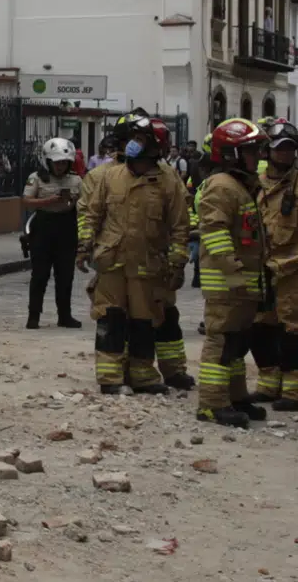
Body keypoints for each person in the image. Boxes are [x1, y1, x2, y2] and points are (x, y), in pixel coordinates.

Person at [77, 116, 183, 394]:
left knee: (143, 321)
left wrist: (178, 262)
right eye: (132, 138)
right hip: (112, 261)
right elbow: (92, 214)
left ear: (155, 146)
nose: (132, 145)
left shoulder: (168, 181)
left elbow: (180, 225)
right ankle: (110, 379)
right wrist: (84, 246)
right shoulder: (110, 176)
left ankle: (142, 376)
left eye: (140, 140)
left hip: (147, 265)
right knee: (110, 319)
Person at [189, 117, 268, 426]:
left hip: (241, 281)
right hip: (227, 283)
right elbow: (216, 232)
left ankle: (236, 397)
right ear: (232, 155)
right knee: (220, 342)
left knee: (236, 343)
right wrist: (234, 272)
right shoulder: (222, 186)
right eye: (251, 151)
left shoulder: (240, 186)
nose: (258, 157)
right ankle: (211, 404)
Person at [253, 120, 298, 414]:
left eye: (290, 149)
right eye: (280, 149)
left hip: (291, 271)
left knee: (292, 330)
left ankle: (295, 389)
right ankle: (268, 382)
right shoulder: (255, 185)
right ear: (267, 151)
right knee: (261, 328)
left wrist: (289, 263)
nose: (285, 155)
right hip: (259, 270)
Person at [22, 136, 85, 329]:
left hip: (66, 228)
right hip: (43, 227)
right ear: (48, 162)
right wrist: (50, 201)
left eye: (64, 163)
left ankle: (64, 316)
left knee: (65, 275)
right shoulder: (37, 178)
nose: (60, 167)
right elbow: (26, 201)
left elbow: (84, 204)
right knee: (40, 275)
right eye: (57, 163)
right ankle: (34, 316)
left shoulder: (76, 180)